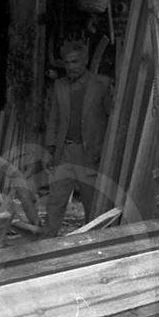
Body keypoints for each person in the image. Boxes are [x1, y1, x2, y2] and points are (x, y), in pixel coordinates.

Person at [43, 39, 114, 236]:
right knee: (55, 200)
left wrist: (105, 150)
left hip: (90, 152)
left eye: (75, 62)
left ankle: (91, 242)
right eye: (67, 62)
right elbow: (54, 119)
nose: (70, 67)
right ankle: (47, 242)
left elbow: (112, 121)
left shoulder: (101, 84)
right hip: (65, 151)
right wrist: (49, 149)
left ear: (84, 62)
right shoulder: (60, 86)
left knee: (92, 203)